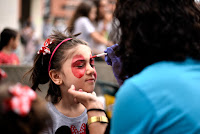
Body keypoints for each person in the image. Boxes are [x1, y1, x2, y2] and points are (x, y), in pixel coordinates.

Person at [67, 0, 200, 133]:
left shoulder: (139, 93)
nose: (90, 70)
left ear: (135, 32)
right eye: (80, 64)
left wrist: (94, 108)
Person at [27, 30, 100, 134]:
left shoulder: (99, 107)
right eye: (80, 65)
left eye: (91, 64)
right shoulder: (45, 118)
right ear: (56, 76)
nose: (91, 70)